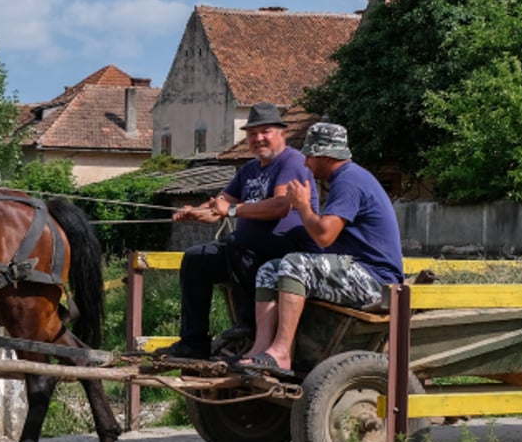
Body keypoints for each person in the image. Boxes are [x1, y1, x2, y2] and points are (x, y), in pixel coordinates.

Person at [160, 102, 319, 360]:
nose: (258, 139)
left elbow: (280, 206)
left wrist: (231, 211)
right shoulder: (249, 169)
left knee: (238, 241)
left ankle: (248, 325)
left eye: (265, 132)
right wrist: (195, 212)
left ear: (282, 133)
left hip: (289, 249)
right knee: (195, 258)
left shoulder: (293, 162)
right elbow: (219, 205)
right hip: (247, 250)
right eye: (252, 134)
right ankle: (193, 341)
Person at [241, 122, 403, 372]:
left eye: (309, 156)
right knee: (270, 270)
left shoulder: (350, 181)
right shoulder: (343, 179)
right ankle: (261, 349)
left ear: (325, 155)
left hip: (376, 281)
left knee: (295, 264)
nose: (305, 163)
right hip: (353, 272)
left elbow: (324, 236)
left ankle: (282, 352)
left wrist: (303, 206)